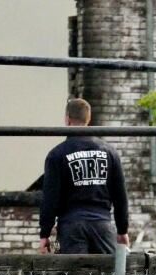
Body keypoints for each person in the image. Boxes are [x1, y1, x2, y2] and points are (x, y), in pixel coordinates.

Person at [38, 98, 129, 254]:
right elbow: (120, 195)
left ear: (67, 119)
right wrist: (122, 230)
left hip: (71, 226)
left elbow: (49, 198)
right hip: (102, 225)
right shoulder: (109, 152)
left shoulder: (57, 154)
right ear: (88, 119)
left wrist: (44, 234)